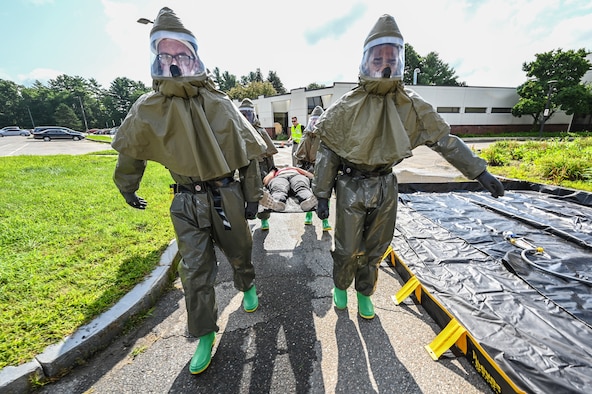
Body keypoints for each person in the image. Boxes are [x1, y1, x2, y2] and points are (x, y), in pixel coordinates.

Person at [312, 14, 504, 320]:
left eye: (392, 57)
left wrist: (479, 171)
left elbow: (444, 139)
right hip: (350, 185)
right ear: (366, 61)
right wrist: (321, 193)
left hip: (385, 185)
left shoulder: (410, 104)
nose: (385, 63)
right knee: (347, 249)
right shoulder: (346, 105)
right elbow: (328, 150)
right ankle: (340, 285)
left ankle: (365, 292)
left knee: (376, 249)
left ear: (400, 60)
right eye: (378, 57)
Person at [111, 7, 267, 375]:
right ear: (155, 59)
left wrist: (252, 197)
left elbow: (248, 155)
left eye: (181, 53)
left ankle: (247, 284)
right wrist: (127, 187)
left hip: (226, 195)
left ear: (194, 56)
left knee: (240, 252)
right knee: (195, 272)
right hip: (184, 200)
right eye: (166, 54)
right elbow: (131, 153)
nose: (175, 61)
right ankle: (203, 334)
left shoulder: (220, 103)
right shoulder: (147, 108)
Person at [239, 98, 278, 231]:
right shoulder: (237, 130)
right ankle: (247, 218)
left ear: (252, 115)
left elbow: (269, 152)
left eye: (247, 114)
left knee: (262, 194)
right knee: (243, 195)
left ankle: (264, 218)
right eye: (242, 114)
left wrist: (272, 169)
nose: (245, 117)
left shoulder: (260, 131)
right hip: (243, 168)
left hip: (260, 168)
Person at [294, 106, 331, 231]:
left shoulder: (327, 135)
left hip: (323, 170)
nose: (315, 123)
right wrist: (299, 170)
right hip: (308, 169)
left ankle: (325, 220)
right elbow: (299, 155)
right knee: (309, 195)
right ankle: (308, 216)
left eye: (318, 120)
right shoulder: (306, 135)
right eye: (313, 120)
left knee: (324, 195)